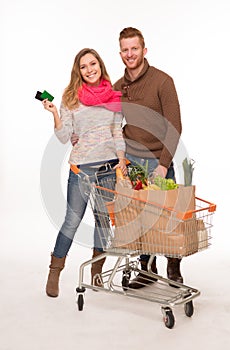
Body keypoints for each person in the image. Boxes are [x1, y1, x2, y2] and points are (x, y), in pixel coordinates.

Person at [42, 48, 127, 297]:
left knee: (103, 223)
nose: (89, 69)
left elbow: (117, 132)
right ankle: (55, 270)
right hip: (81, 170)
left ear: (100, 65)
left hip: (109, 168)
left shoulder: (113, 96)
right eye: (83, 66)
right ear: (77, 71)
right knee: (72, 221)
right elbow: (63, 137)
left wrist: (121, 159)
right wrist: (56, 114)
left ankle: (96, 272)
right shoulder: (71, 98)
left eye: (93, 64)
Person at [113, 27, 183, 289]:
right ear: (120, 53)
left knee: (168, 219)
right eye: (125, 50)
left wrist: (164, 165)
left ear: (144, 50)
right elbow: (106, 122)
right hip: (131, 162)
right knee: (140, 221)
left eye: (134, 48)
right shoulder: (118, 87)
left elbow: (174, 126)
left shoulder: (163, 81)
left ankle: (174, 270)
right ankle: (146, 270)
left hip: (158, 160)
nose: (130, 54)